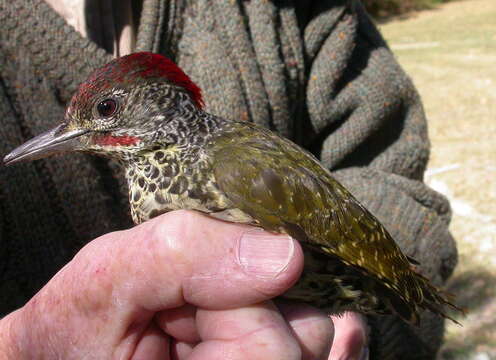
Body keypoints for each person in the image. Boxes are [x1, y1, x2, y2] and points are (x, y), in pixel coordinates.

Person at [0, 0, 458, 359]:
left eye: (106, 110)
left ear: (164, 103)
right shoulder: (169, 173)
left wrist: (366, 335)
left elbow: (381, 172)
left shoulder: (232, 166)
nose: (91, 127)